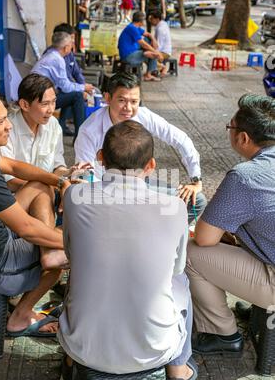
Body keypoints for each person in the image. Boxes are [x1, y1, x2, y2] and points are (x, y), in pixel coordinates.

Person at [59, 121, 198, 380]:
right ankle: (178, 376)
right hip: (153, 347)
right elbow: (177, 268)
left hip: (83, 345)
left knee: (81, 276)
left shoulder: (74, 196)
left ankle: (69, 368)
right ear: (151, 166)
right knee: (181, 281)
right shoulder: (175, 207)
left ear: (100, 158)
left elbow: (71, 254)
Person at [0, 86, 72, 337]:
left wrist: (58, 181)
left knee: (40, 186)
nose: (8, 125)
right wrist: (76, 242)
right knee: (56, 261)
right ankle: (20, 317)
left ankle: (48, 251)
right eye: (1, 121)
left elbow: (15, 166)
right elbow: (26, 229)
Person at [186, 94, 275, 355]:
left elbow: (204, 238)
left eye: (230, 128)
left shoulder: (245, 177)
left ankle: (221, 333)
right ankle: (258, 306)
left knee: (193, 252)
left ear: (243, 138)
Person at [75, 72, 206, 223]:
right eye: (122, 100)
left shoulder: (144, 116)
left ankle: (155, 229)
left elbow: (180, 139)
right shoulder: (89, 130)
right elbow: (85, 173)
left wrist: (196, 179)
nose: (128, 108)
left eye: (134, 101)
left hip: (141, 186)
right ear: (108, 98)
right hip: (106, 192)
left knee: (197, 200)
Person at [31, 32, 90, 137]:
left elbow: (64, 85)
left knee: (71, 94)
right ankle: (80, 136)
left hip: (37, 94)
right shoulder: (57, 59)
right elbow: (66, 87)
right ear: (66, 47)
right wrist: (83, 87)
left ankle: (61, 126)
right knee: (77, 96)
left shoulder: (50, 54)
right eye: (71, 44)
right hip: (39, 98)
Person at [118, 11, 162, 82]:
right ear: (141, 21)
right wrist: (156, 52)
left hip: (133, 51)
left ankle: (151, 65)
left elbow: (148, 34)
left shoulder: (135, 27)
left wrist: (153, 39)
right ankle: (148, 74)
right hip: (128, 56)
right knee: (153, 54)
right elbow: (142, 44)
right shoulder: (132, 28)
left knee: (148, 40)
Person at [148, 10, 172, 77]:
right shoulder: (162, 24)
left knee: (146, 55)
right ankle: (155, 69)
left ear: (157, 19)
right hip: (162, 50)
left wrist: (152, 51)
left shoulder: (161, 28)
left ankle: (162, 67)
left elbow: (159, 46)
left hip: (164, 52)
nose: (150, 20)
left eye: (152, 18)